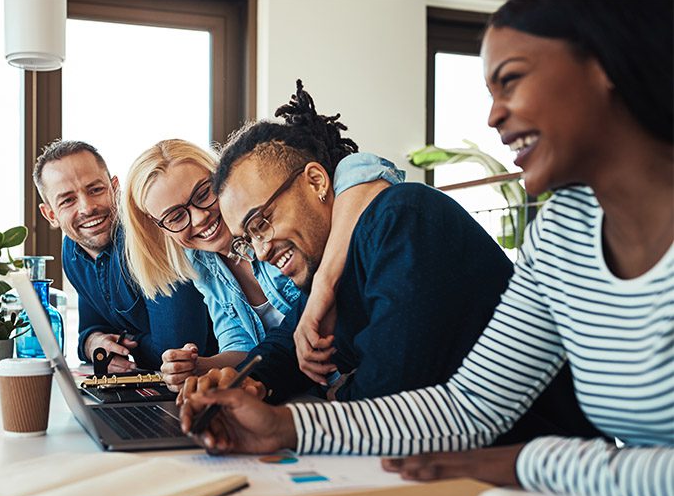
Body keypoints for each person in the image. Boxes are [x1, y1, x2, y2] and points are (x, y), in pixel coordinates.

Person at [180, 0, 673, 496]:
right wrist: (281, 424)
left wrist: (525, 463)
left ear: (601, 67)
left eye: (510, 80)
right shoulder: (563, 232)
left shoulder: (402, 219)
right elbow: (469, 407)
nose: (493, 116)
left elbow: (421, 397)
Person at [190, 80, 598, 445]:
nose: (260, 251)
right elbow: (286, 345)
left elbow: (389, 391)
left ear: (317, 181)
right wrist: (247, 384)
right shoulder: (326, 272)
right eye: (249, 239)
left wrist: (331, 399)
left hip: (538, 479)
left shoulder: (402, 218)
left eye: (262, 223)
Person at [119, 139, 405, 391]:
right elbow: (244, 346)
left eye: (204, 194)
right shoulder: (202, 263)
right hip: (305, 388)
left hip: (366, 372)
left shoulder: (279, 224)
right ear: (161, 229)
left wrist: (320, 290)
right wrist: (201, 367)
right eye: (175, 217)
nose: (198, 218)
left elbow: (361, 168)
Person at [33, 139, 217, 372]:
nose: (87, 208)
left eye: (95, 190)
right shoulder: (72, 251)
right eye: (68, 200)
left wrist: (123, 342)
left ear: (115, 187)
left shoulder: (151, 235)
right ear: (50, 214)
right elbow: (90, 329)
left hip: (212, 382)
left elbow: (174, 349)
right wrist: (93, 344)